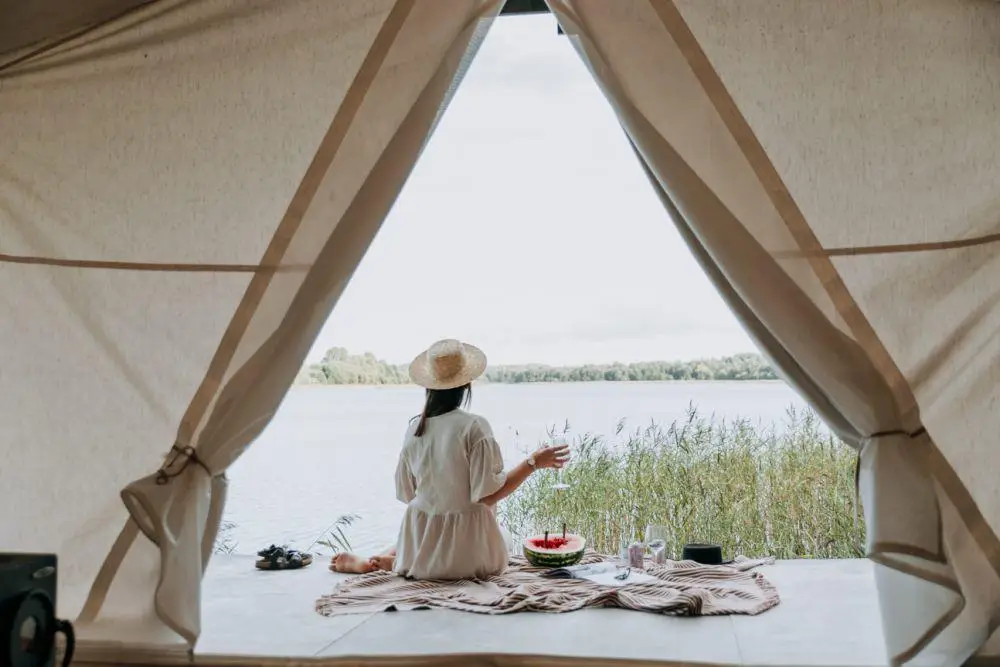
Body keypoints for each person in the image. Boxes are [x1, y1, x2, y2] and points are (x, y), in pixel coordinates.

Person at [330, 338, 570, 579]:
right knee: (504, 537)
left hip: (419, 552)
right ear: (466, 384)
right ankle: (392, 559)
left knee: (426, 520)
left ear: (429, 386)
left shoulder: (414, 430)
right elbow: (488, 496)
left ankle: (389, 559)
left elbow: (407, 494)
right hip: (468, 558)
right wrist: (533, 463)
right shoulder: (474, 427)